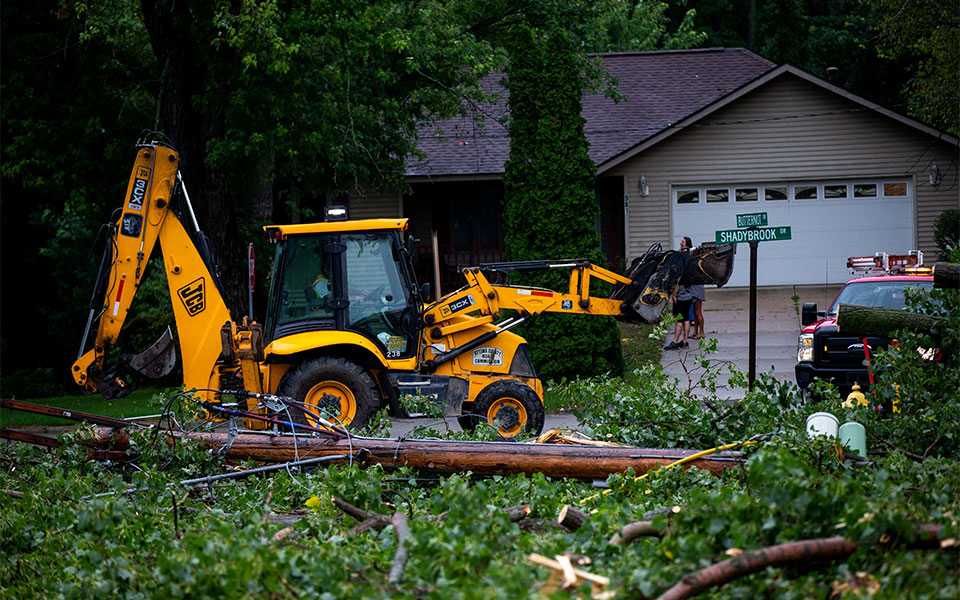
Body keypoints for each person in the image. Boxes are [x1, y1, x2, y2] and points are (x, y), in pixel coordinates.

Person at [664, 237, 694, 350]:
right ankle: (685, 341)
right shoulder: (691, 258)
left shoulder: (681, 258)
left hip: (680, 297)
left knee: (678, 320)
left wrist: (674, 295)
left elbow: (677, 281)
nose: (681, 242)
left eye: (683, 241)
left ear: (686, 244)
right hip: (688, 296)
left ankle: (675, 341)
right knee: (686, 319)